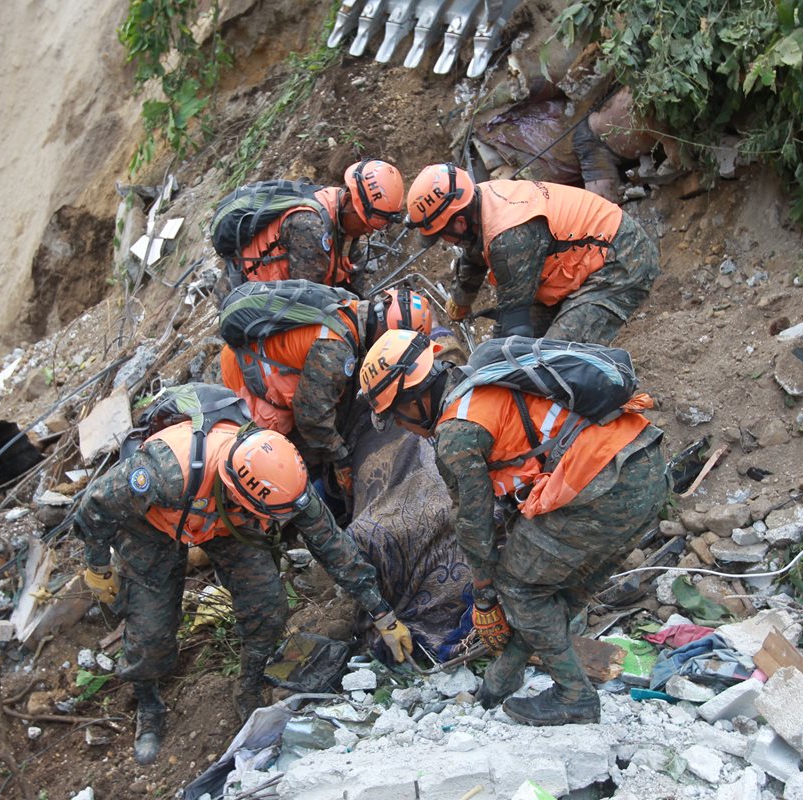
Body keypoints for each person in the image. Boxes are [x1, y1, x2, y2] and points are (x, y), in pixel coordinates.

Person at [355, 329, 668, 726]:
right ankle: (506, 673)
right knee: (558, 587)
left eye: (397, 415)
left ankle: (574, 696)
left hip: (605, 483)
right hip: (644, 467)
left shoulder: (456, 433)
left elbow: (473, 521)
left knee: (519, 586)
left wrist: (485, 598)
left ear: (414, 400)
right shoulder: (481, 384)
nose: (404, 426)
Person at [74, 422, 413, 764]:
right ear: (238, 491)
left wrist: (382, 613)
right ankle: (148, 700)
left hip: (226, 522)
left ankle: (248, 685)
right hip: (152, 523)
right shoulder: (163, 473)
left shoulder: (282, 480)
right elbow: (95, 506)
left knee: (267, 605)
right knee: (152, 632)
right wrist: (98, 567)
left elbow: (332, 545)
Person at [403, 163, 659, 343]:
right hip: (581, 253)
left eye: (441, 235)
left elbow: (513, 327)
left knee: (555, 354)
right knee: (532, 346)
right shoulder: (477, 200)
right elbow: (474, 255)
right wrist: (460, 301)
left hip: (620, 258)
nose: (444, 241)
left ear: (458, 223)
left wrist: (489, 369)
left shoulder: (509, 237)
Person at [219, 284, 433, 499]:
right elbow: (311, 419)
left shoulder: (349, 304)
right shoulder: (336, 350)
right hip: (246, 378)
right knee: (288, 459)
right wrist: (340, 459)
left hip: (258, 356)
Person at [232, 159, 404, 286]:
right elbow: (306, 298)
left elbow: (350, 271)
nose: (368, 231)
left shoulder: (340, 211)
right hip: (245, 292)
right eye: (368, 223)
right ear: (351, 201)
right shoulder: (310, 228)